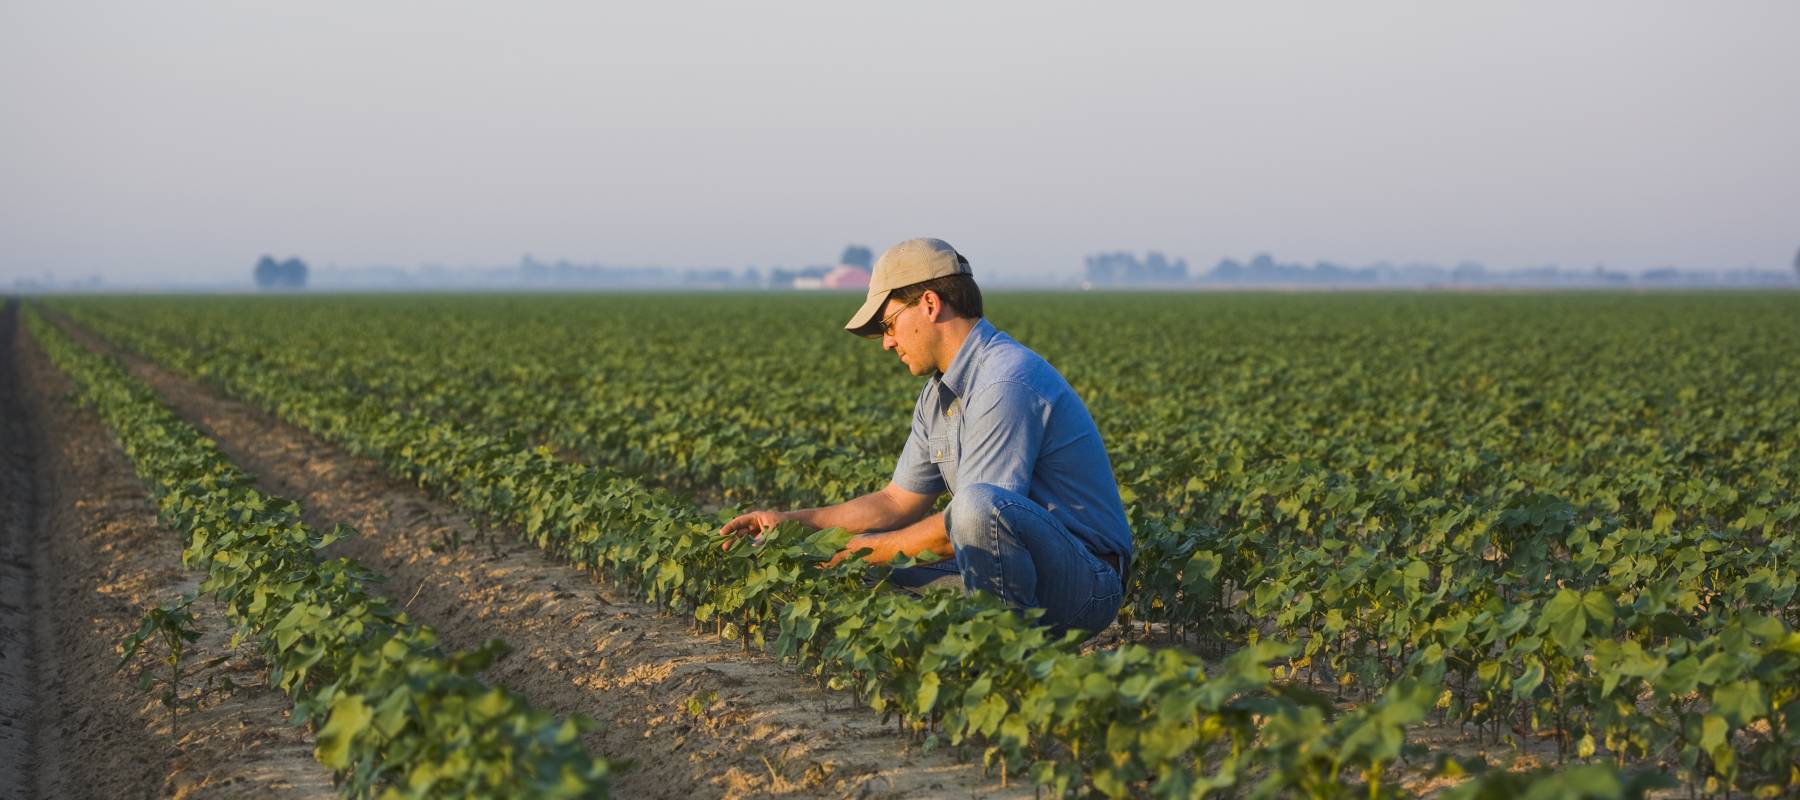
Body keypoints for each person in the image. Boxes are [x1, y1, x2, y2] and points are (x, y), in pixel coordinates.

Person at [719, 237, 1132, 635]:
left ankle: (1008, 655)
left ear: (930, 304)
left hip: (1083, 581)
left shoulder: (1004, 381)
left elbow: (975, 521)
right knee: (861, 573)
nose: (887, 343)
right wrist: (794, 527)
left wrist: (859, 550)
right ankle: (974, 637)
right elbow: (895, 501)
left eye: (889, 324)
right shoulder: (939, 393)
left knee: (968, 508)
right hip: (1015, 565)